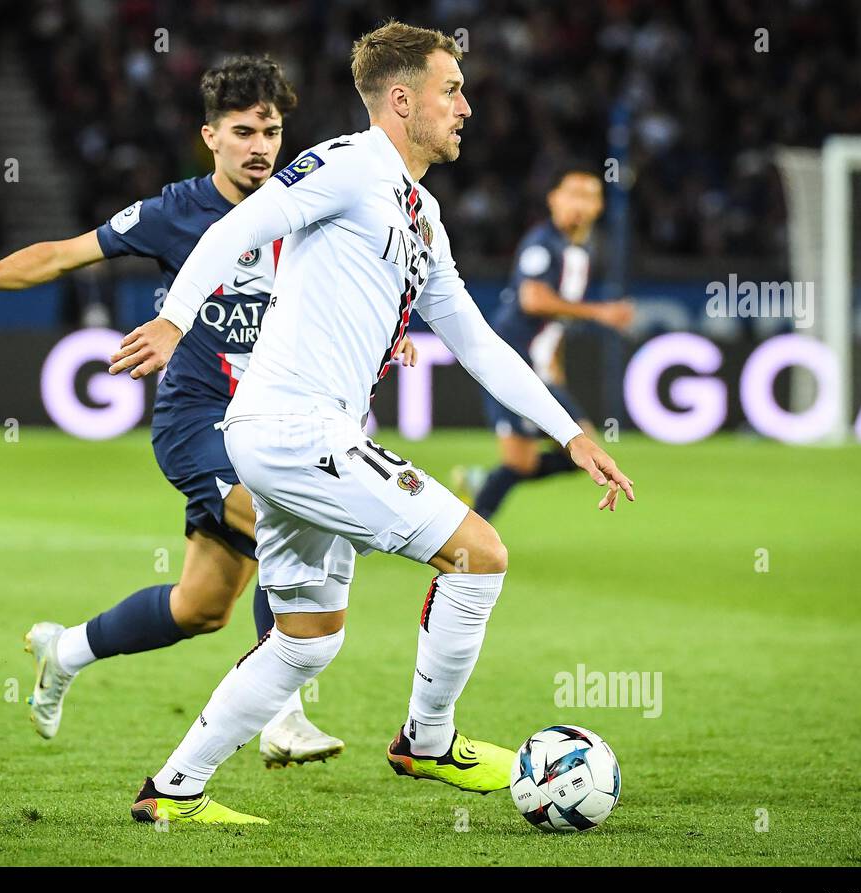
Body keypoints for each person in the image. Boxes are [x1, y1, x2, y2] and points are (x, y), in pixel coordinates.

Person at [108, 21, 634, 825]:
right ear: (401, 99)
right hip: (297, 430)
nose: (466, 105)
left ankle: (171, 792)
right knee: (480, 554)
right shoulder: (348, 166)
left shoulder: (421, 214)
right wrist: (176, 318)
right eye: (450, 89)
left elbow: (478, 342)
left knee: (307, 637)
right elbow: (236, 228)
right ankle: (428, 739)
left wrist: (570, 432)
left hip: (295, 438)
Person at [0, 55, 356, 768]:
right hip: (197, 422)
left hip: (270, 421)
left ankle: (66, 649)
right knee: (283, 517)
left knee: (201, 607)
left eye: (270, 130)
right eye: (242, 131)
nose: (260, 146)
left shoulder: (306, 204)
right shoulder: (177, 210)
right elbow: (62, 254)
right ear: (210, 136)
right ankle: (283, 715)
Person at [453, 167, 635, 520]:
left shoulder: (579, 252)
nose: (580, 205)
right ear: (554, 199)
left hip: (537, 366)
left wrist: (555, 371)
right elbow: (533, 299)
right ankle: (471, 531)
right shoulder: (542, 244)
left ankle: (477, 492)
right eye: (573, 195)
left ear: (599, 207)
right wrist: (601, 313)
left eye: (589, 196)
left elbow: (554, 325)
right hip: (510, 360)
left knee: (575, 451)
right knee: (539, 457)